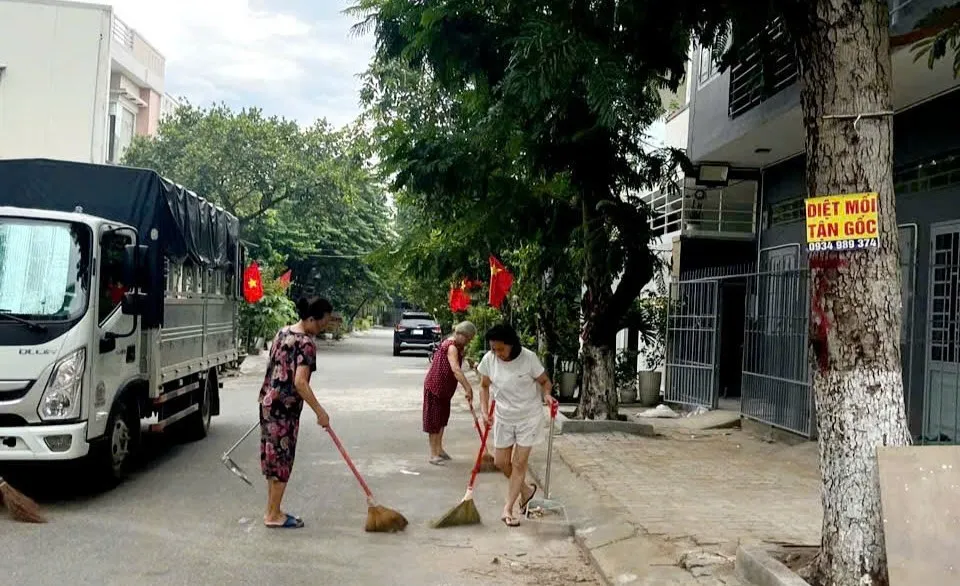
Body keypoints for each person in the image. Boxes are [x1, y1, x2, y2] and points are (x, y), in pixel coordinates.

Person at [258, 296, 334, 529]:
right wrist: (320, 411)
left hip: (268, 404)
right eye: (322, 323)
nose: (323, 328)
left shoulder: (282, 333)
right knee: (282, 460)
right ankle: (273, 516)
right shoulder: (306, 344)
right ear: (311, 318)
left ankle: (272, 510)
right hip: (285, 411)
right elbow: (300, 382)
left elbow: (273, 369)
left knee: (272, 459)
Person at [478, 323, 554, 527]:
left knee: (519, 463)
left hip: (528, 417)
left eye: (501, 348)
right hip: (503, 417)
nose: (497, 353)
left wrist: (547, 395)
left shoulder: (528, 359)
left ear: (512, 344)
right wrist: (484, 412)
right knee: (501, 462)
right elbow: (484, 387)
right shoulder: (489, 359)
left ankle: (508, 508)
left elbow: (545, 381)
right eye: (494, 348)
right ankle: (526, 491)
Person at [422, 321, 477, 465]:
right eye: (468, 338)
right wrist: (468, 387)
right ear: (460, 334)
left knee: (442, 419)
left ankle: (439, 449)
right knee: (434, 420)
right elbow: (456, 369)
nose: (468, 342)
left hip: (445, 390)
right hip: (435, 387)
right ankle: (433, 454)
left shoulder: (458, 347)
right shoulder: (451, 347)